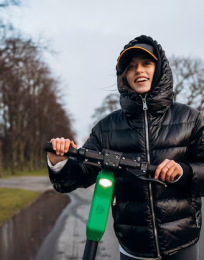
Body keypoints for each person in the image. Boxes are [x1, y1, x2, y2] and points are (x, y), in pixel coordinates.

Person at [47, 35, 204, 260]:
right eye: (131, 67)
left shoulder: (191, 119)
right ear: (124, 76)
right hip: (133, 248)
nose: (139, 70)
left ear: (159, 68)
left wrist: (184, 171)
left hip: (183, 244)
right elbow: (80, 175)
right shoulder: (106, 128)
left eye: (146, 63)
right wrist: (58, 161)